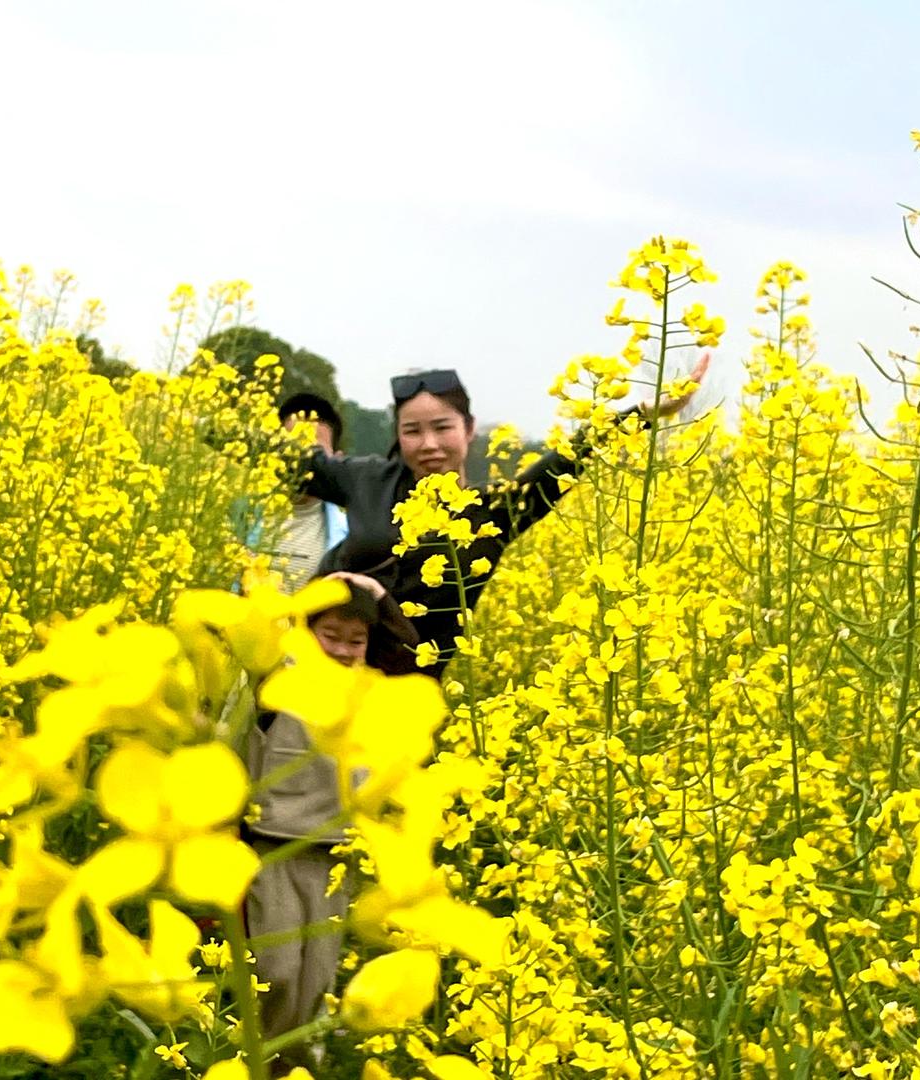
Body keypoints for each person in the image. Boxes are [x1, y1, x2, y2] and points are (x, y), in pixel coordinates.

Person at [298, 361, 708, 677]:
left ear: (469, 428)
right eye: (412, 431)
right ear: (397, 435)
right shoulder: (368, 478)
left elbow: (560, 464)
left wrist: (640, 414)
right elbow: (302, 464)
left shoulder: (495, 512)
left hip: (406, 696)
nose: (429, 445)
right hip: (318, 672)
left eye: (442, 427)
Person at [244, 572, 418, 1077]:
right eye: (332, 636)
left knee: (315, 979)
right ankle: (262, 1061)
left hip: (336, 853)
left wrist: (383, 601)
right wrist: (318, 589)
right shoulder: (279, 676)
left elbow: (412, 656)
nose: (344, 650)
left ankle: (294, 1066)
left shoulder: (373, 686)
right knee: (275, 973)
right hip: (273, 844)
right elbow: (260, 629)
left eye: (356, 641)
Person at [230, 393, 349, 593]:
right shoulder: (235, 517)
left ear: (337, 461)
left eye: (315, 453)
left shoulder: (352, 536)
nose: (300, 461)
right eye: (291, 448)